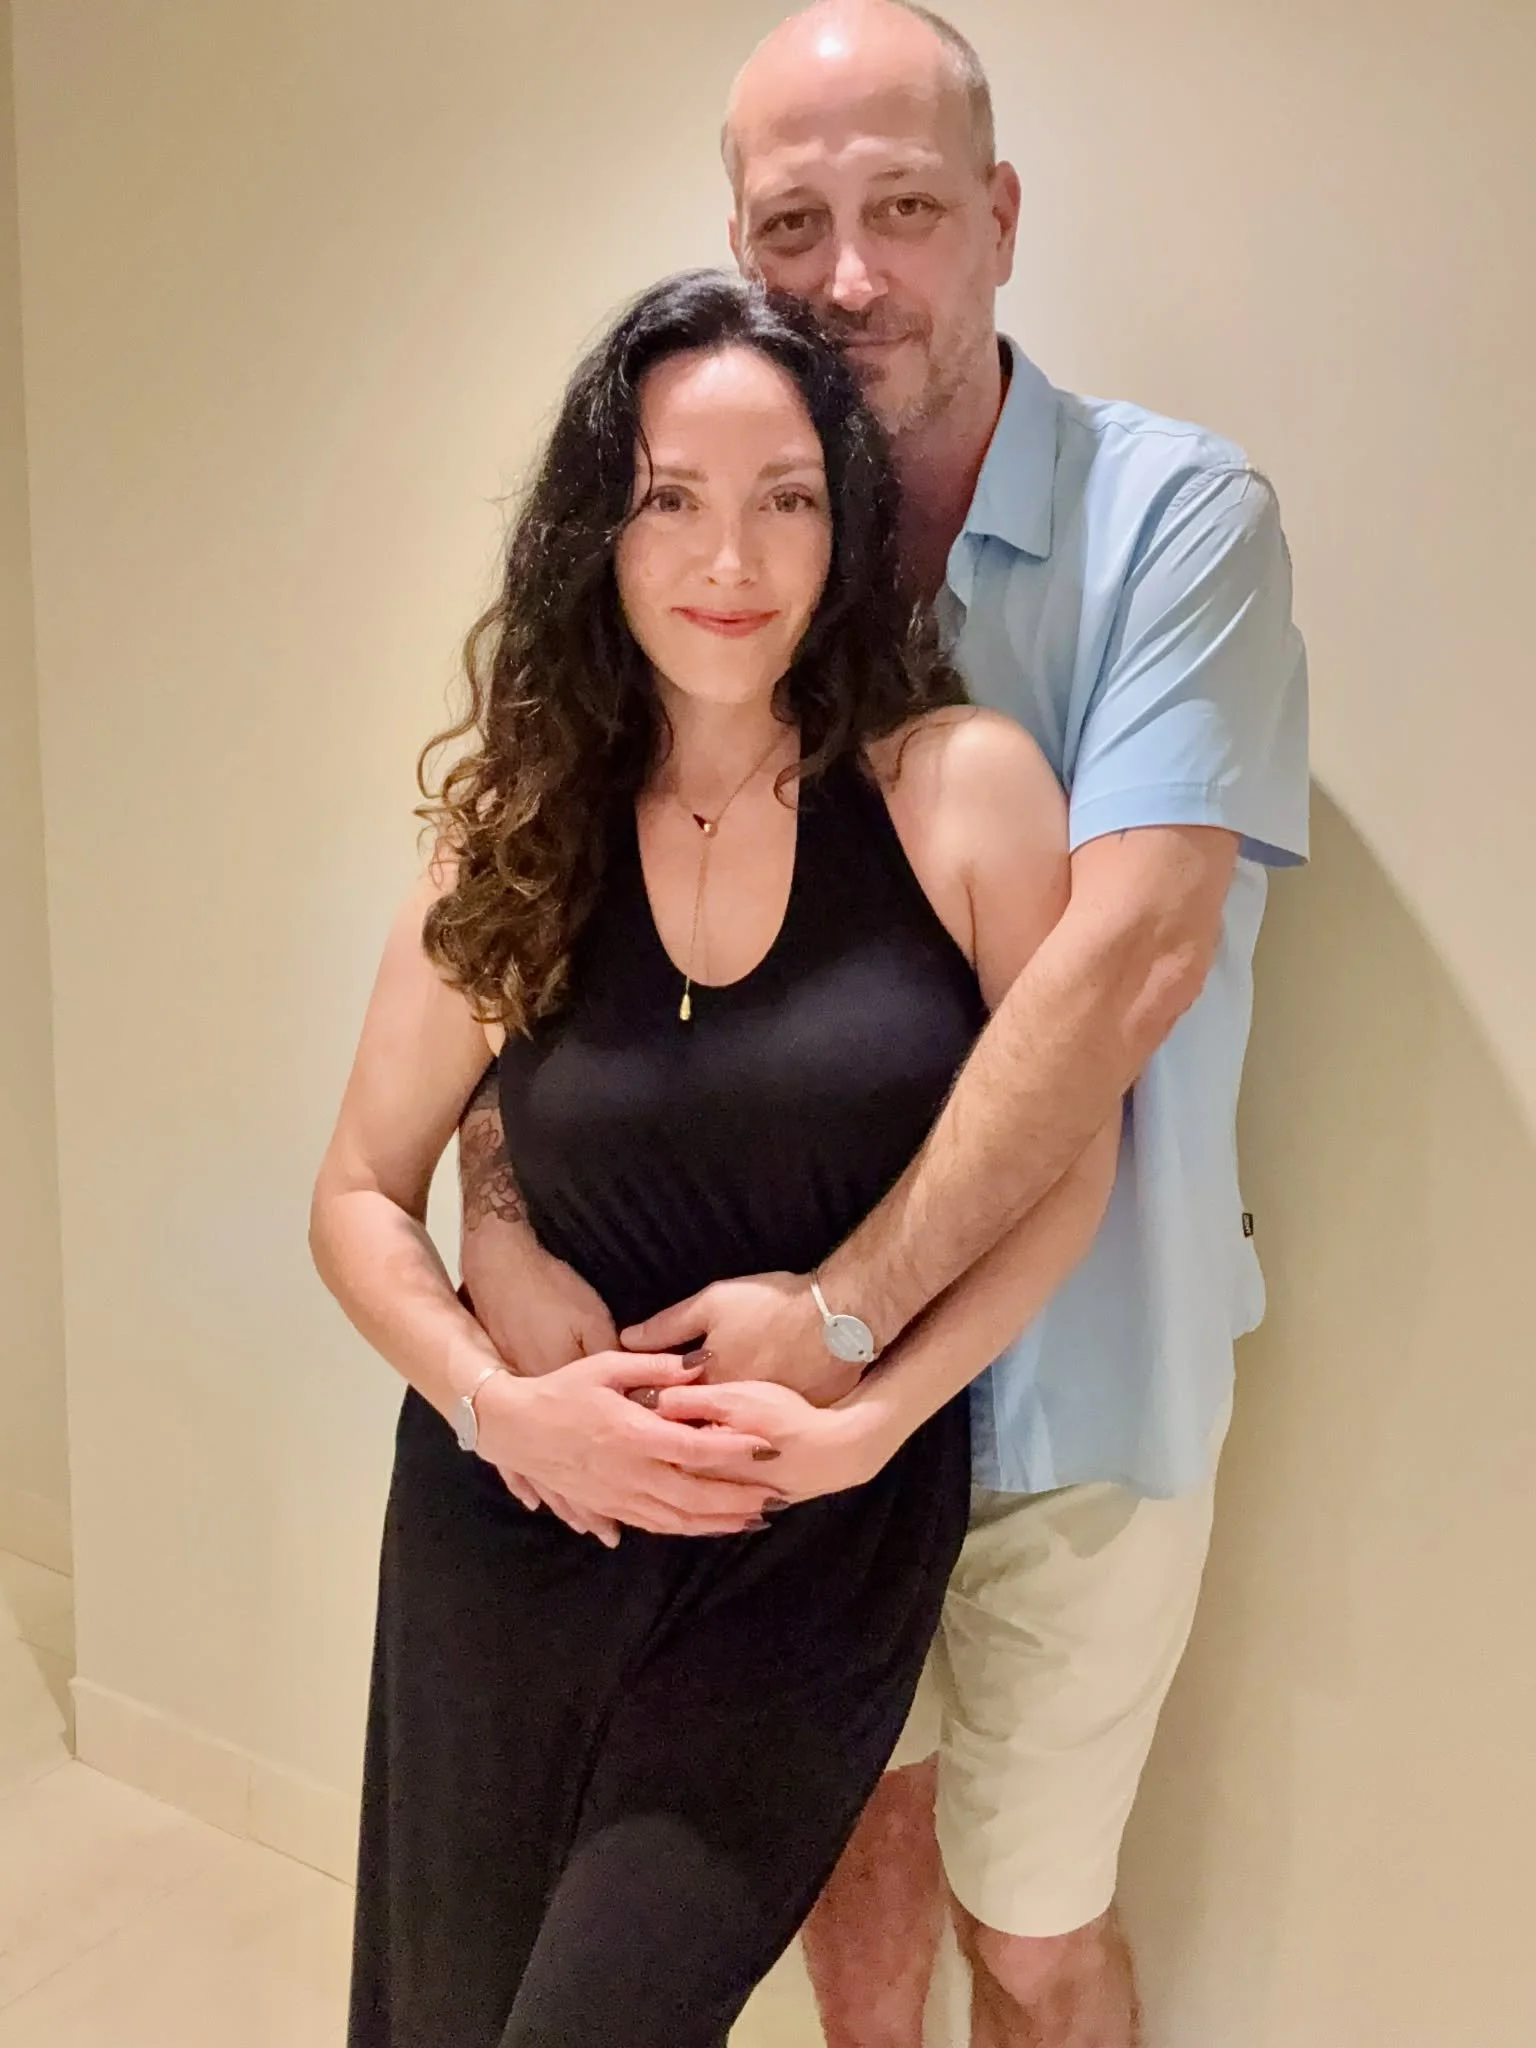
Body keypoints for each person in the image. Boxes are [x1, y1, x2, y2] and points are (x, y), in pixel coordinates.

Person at [457, 7, 1310, 2046]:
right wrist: (493, 1217)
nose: (849, 275)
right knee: (850, 1880)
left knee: (1031, 1930)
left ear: (1000, 218)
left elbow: (1128, 967)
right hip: (766, 1419)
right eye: (794, 224)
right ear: (738, 245)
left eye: (907, 209)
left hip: (1065, 1398)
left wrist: (846, 1320)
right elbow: (550, 920)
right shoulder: (727, 564)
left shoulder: (1175, 525)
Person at [310, 270, 1114, 2048]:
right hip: (517, 1512)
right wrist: (496, 1407)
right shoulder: (517, 822)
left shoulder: (959, 793)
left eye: (786, 499)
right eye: (669, 497)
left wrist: (873, 1420)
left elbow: (1069, 1168)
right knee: (444, 2012)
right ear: (598, 529)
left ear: (848, 522)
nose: (728, 558)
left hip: (806, 1544)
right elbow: (359, 1192)